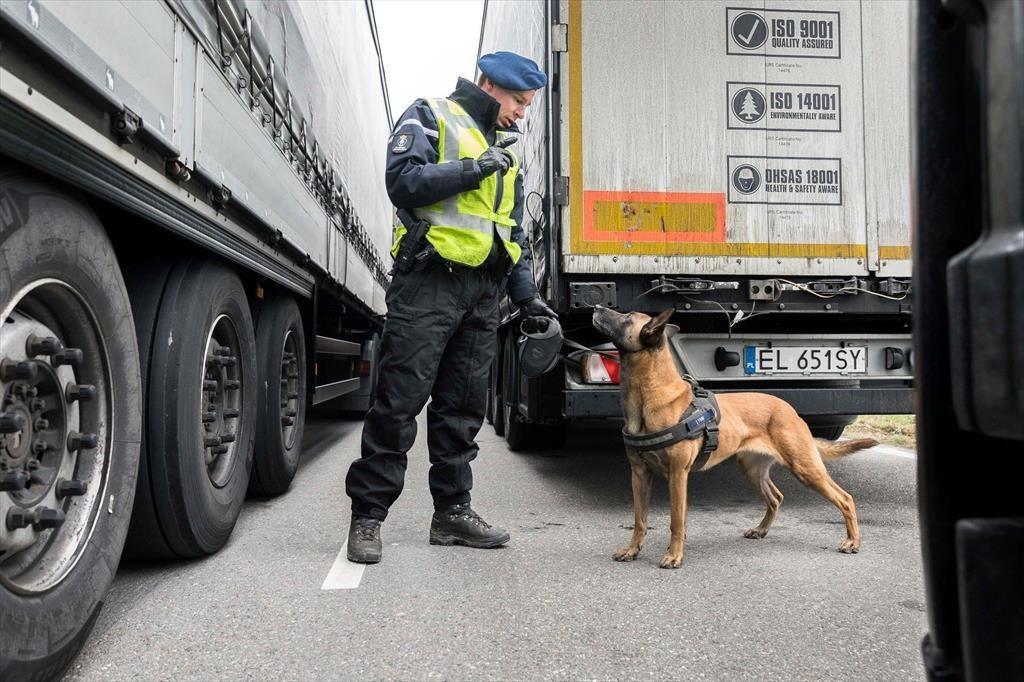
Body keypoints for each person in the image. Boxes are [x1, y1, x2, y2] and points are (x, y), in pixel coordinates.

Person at [344, 52, 558, 563]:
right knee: (398, 404)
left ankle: (452, 514)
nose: (522, 114)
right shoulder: (430, 114)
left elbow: (513, 234)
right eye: (519, 102)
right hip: (429, 284)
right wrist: (472, 169)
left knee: (462, 410)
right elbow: (403, 181)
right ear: (489, 84)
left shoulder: (505, 154)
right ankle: (368, 517)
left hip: (484, 293)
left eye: (528, 106)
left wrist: (528, 298)